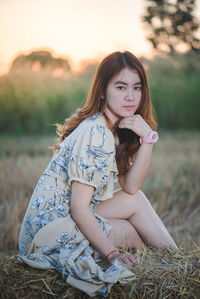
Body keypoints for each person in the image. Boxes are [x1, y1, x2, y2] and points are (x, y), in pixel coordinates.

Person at [18, 51, 178, 297]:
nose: (130, 96)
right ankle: (179, 264)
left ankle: (178, 262)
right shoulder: (96, 132)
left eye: (137, 87)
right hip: (51, 232)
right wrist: (112, 255)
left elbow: (131, 188)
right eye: (121, 87)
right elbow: (79, 208)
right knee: (135, 233)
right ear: (102, 90)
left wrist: (148, 139)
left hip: (65, 218)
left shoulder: (111, 128)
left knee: (135, 204)